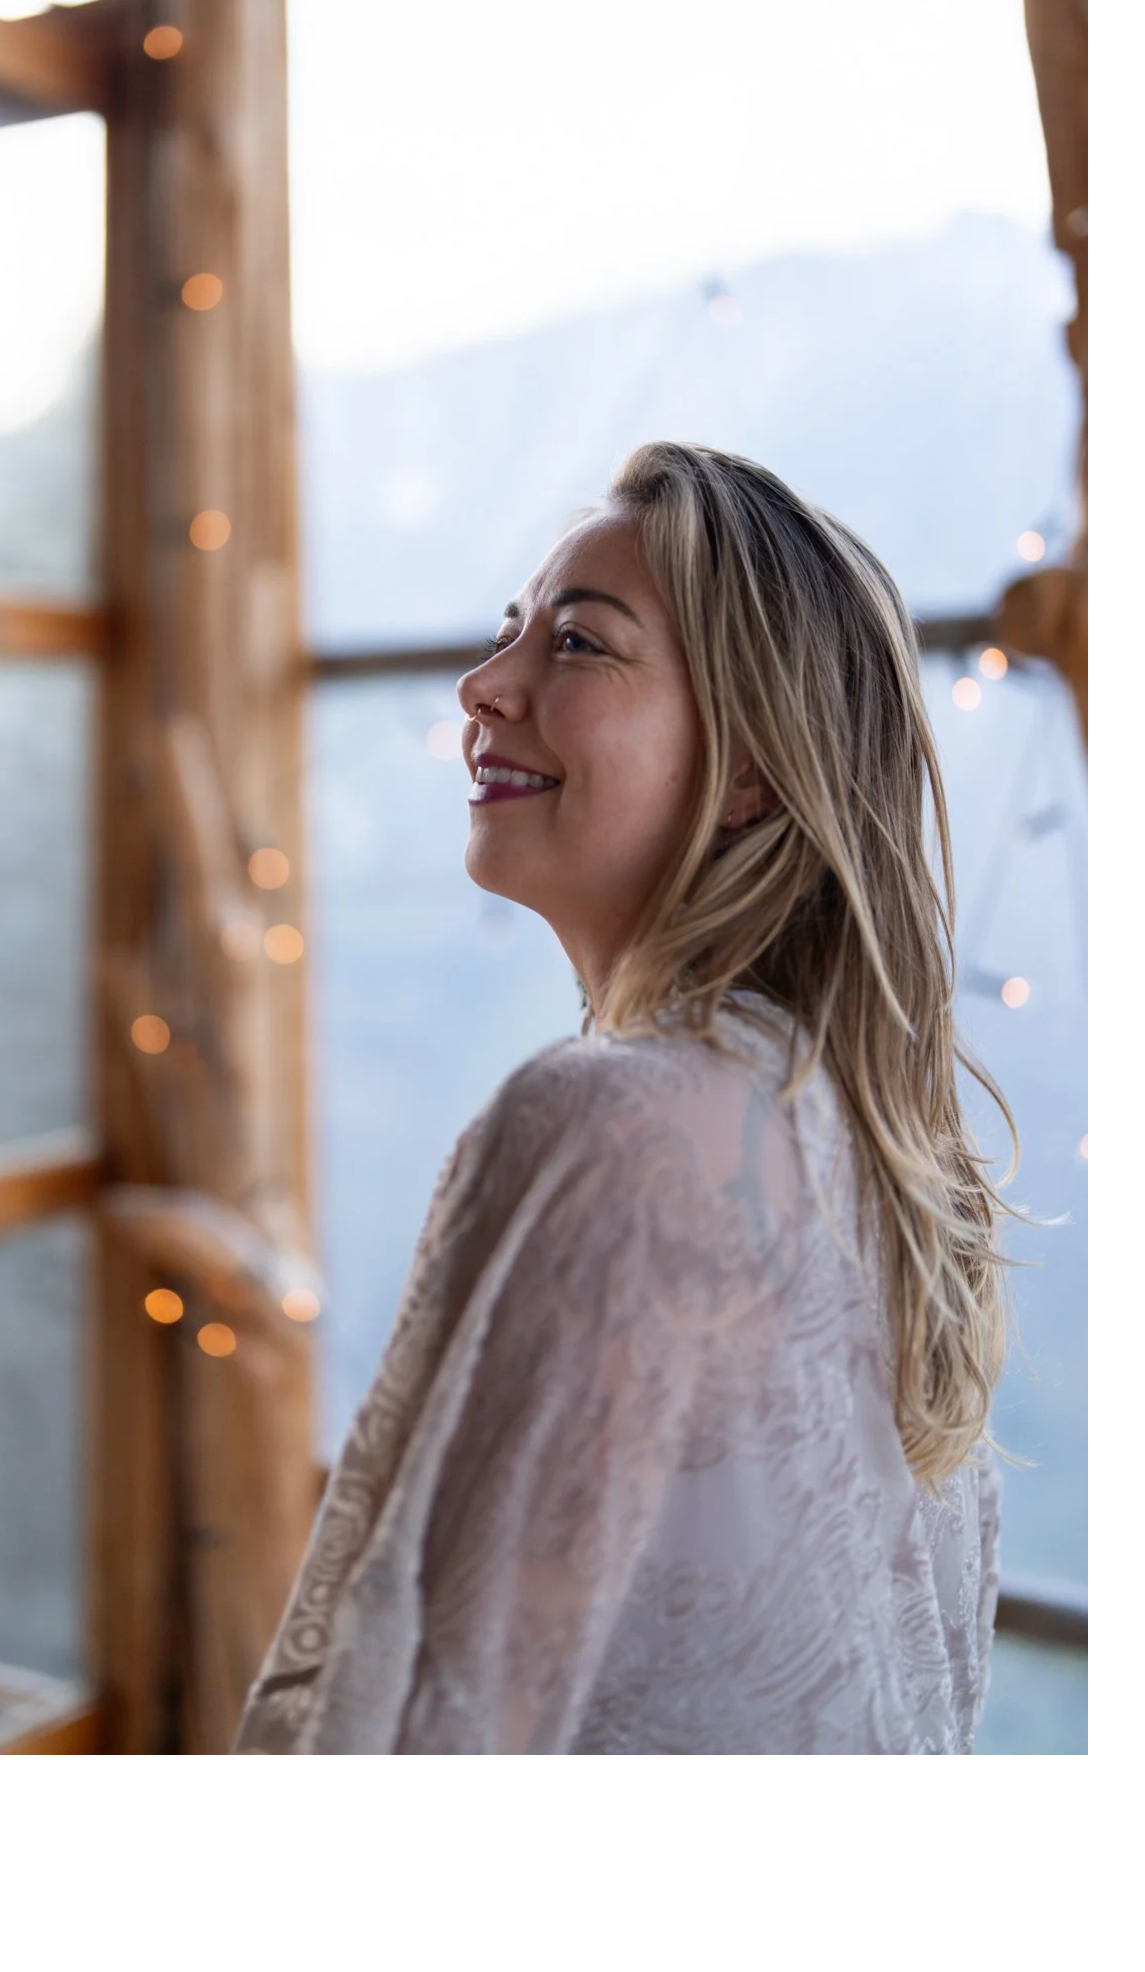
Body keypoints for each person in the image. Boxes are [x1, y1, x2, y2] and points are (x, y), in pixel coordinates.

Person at [235, 441, 1014, 1758]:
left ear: (757, 767)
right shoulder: (880, 1152)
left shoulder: (617, 1124)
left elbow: (445, 1713)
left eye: (579, 647)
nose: (485, 687)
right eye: (506, 634)